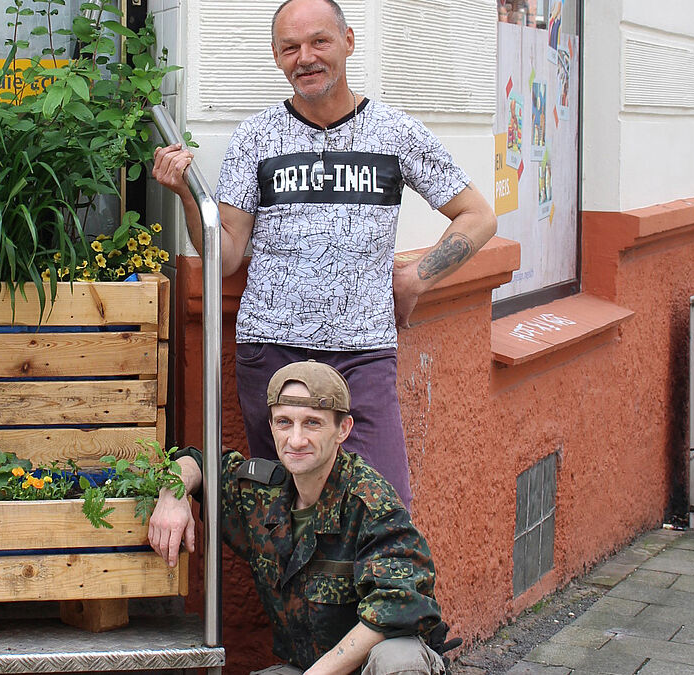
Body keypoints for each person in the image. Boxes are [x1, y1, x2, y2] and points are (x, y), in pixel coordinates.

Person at [151, 0, 497, 507]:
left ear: (348, 42)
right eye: (290, 47)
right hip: (272, 352)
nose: (305, 57)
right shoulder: (255, 138)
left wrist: (415, 278)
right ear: (276, 56)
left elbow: (478, 216)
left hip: (362, 354)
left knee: (381, 509)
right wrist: (186, 196)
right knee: (278, 511)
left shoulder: (396, 133)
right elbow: (224, 256)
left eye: (319, 42)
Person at [148, 360, 455, 674]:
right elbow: (196, 461)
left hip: (366, 666)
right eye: (284, 422)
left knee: (398, 660)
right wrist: (173, 494)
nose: (295, 440)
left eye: (312, 423)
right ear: (271, 426)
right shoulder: (262, 492)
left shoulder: (371, 502)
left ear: (343, 429)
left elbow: (396, 602)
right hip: (304, 665)